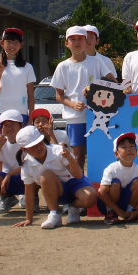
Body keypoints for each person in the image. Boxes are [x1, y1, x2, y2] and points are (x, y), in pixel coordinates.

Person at [51, 25, 113, 169]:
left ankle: (98, 181)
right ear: (66, 43)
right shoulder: (62, 66)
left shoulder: (97, 62)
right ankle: (79, 181)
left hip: (98, 115)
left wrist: (95, 88)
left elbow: (113, 82)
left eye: (80, 39)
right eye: (72, 39)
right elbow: (59, 96)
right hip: (75, 117)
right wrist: (72, 104)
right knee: (78, 154)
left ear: (86, 42)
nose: (77, 42)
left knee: (98, 152)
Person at [13, 125, 97, 229]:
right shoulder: (26, 165)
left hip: (76, 184)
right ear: (24, 149)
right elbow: (29, 192)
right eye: (33, 146)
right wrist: (28, 219)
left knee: (90, 196)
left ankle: (73, 207)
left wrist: (70, 158)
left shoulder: (58, 150)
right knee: (46, 175)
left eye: (39, 142)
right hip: (57, 192)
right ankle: (54, 214)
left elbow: (78, 175)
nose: (38, 147)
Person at [0, 28, 36, 139]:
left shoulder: (27, 67)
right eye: (8, 42)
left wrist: (31, 118)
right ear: (2, 43)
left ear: (21, 45)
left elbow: (31, 95)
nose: (12, 45)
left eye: (15, 42)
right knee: (1, 146)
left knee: (21, 146)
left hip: (21, 113)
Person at [97, 132, 138, 224]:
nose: (129, 149)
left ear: (137, 152)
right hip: (107, 205)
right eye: (124, 147)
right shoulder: (111, 169)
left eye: (132, 146)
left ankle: (131, 212)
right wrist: (119, 212)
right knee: (115, 183)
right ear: (116, 154)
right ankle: (111, 213)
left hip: (126, 204)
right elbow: (102, 192)